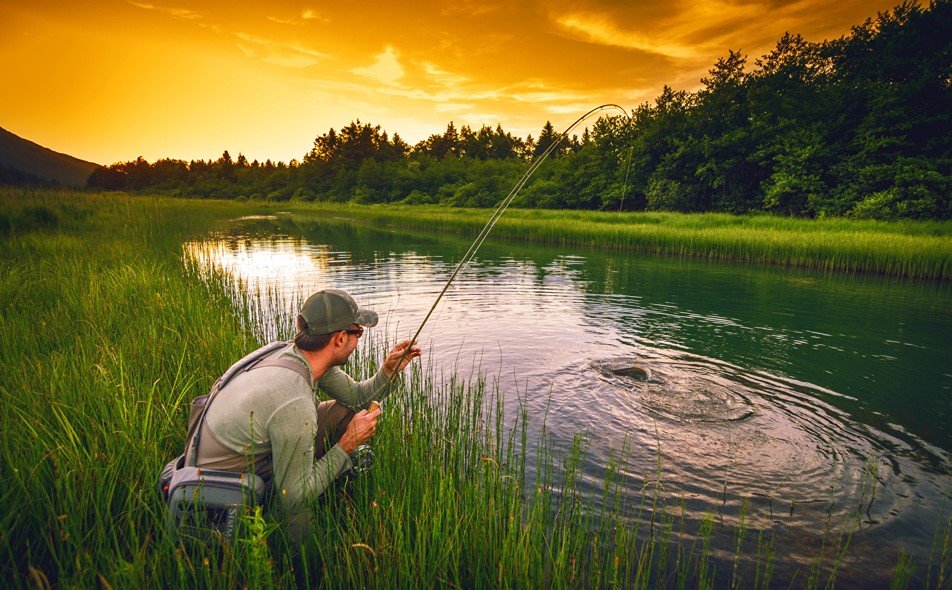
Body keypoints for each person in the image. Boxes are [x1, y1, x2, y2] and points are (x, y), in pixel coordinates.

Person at [191, 288, 420, 537]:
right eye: (358, 333)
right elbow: (293, 498)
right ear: (340, 338)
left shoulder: (296, 354)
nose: (358, 341)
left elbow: (356, 398)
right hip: (227, 483)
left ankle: (326, 474)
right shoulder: (294, 400)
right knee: (300, 511)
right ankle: (301, 556)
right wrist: (347, 444)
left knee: (346, 410)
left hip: (238, 451)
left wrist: (388, 370)